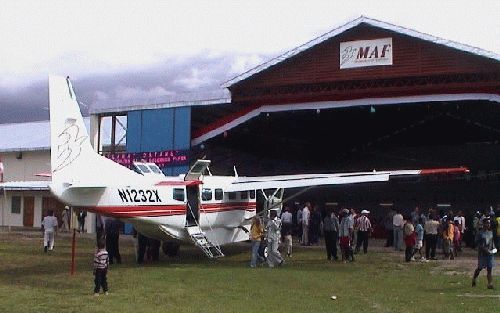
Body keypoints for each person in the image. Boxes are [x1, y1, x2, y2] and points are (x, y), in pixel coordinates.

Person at [472, 219, 496, 289]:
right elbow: (477, 243)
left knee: (489, 269)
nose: (488, 225)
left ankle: (490, 284)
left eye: (489, 223)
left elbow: (492, 242)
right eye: (486, 223)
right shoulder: (480, 233)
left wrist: (494, 249)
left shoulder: (490, 232)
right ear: (483, 224)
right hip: (482, 254)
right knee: (479, 268)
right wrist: (483, 249)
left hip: (490, 254)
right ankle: (474, 278)